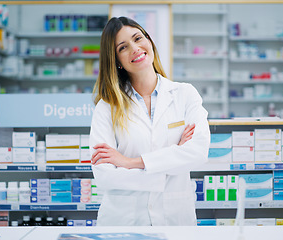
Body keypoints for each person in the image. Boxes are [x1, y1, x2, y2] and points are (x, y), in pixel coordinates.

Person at [89, 16, 210, 226]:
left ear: (149, 40)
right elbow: (105, 176)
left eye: (138, 38)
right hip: (124, 222)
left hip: (175, 220)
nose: (135, 48)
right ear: (116, 60)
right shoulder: (107, 107)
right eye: (123, 47)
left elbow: (198, 153)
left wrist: (129, 162)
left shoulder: (185, 94)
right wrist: (170, 163)